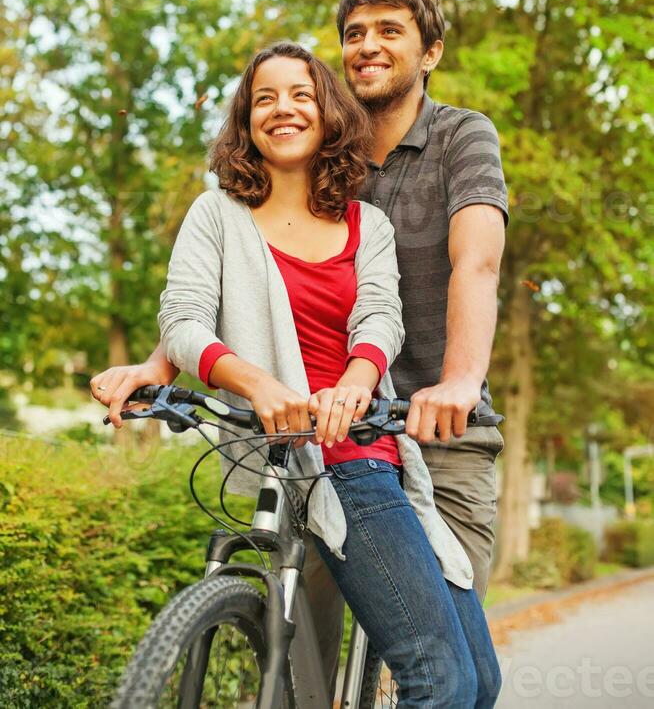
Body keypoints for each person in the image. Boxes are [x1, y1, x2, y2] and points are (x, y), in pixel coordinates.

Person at [91, 41, 501, 707]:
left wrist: (355, 383)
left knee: (479, 682)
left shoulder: (365, 222)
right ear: (245, 120)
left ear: (329, 114)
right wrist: (258, 384)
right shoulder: (216, 214)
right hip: (296, 462)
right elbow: (185, 320)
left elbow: (379, 318)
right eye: (265, 98)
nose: (284, 108)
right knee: (443, 684)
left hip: (364, 453)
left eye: (302, 95)